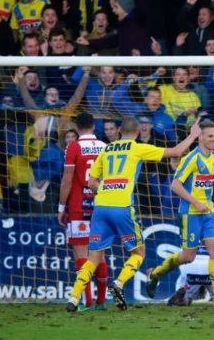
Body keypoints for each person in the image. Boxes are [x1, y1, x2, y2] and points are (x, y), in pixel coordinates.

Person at [65, 116, 203, 312]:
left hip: (100, 206)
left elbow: (91, 182)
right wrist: (193, 135)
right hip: (122, 206)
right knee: (138, 253)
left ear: (119, 131)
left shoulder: (107, 149)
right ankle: (119, 283)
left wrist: (105, 190)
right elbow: (177, 152)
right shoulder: (137, 148)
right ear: (137, 133)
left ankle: (74, 297)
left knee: (93, 257)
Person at [145, 119, 214, 309]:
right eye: (210, 136)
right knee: (188, 257)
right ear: (200, 137)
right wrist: (196, 202)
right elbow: (175, 185)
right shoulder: (191, 158)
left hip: (208, 214)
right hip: (190, 214)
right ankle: (155, 273)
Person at [58, 112, 107, 311]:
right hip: (101, 205)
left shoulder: (73, 147)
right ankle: (101, 302)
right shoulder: (105, 147)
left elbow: (67, 179)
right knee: (99, 254)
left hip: (79, 206)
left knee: (81, 255)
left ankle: (86, 302)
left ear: (77, 129)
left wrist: (61, 206)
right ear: (94, 126)